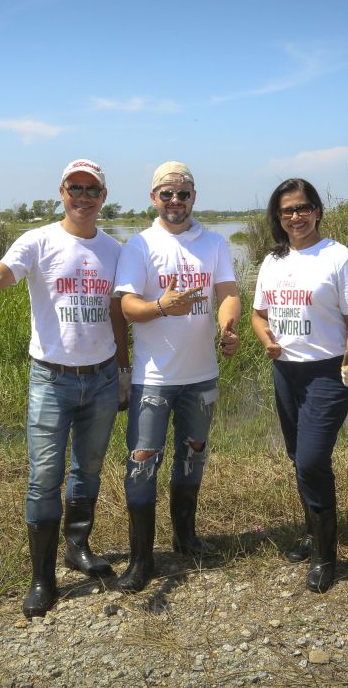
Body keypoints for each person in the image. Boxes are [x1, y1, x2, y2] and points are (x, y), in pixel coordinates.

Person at [0, 159, 130, 617]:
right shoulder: (39, 240)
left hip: (99, 378)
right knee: (43, 478)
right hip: (51, 380)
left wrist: (123, 371)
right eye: (75, 188)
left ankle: (77, 548)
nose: (83, 196)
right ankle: (43, 578)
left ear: (103, 196)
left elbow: (117, 313)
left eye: (91, 190)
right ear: (62, 191)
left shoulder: (115, 250)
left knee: (89, 470)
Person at [112, 161, 242, 593]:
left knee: (194, 455)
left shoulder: (215, 244)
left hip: (201, 376)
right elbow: (128, 307)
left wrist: (228, 326)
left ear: (193, 198)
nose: (175, 202)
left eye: (183, 193)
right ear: (153, 198)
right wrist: (163, 307)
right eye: (166, 194)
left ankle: (186, 539)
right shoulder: (139, 246)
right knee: (142, 461)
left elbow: (227, 294)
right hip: (153, 378)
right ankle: (140, 558)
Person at [250, 178, 348, 593]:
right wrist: (267, 341)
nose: (295, 217)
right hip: (286, 371)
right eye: (286, 211)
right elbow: (259, 314)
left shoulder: (337, 257)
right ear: (277, 218)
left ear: (317, 210)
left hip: (328, 372)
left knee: (313, 458)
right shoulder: (272, 261)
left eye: (302, 208)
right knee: (298, 455)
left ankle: (325, 554)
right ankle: (312, 532)